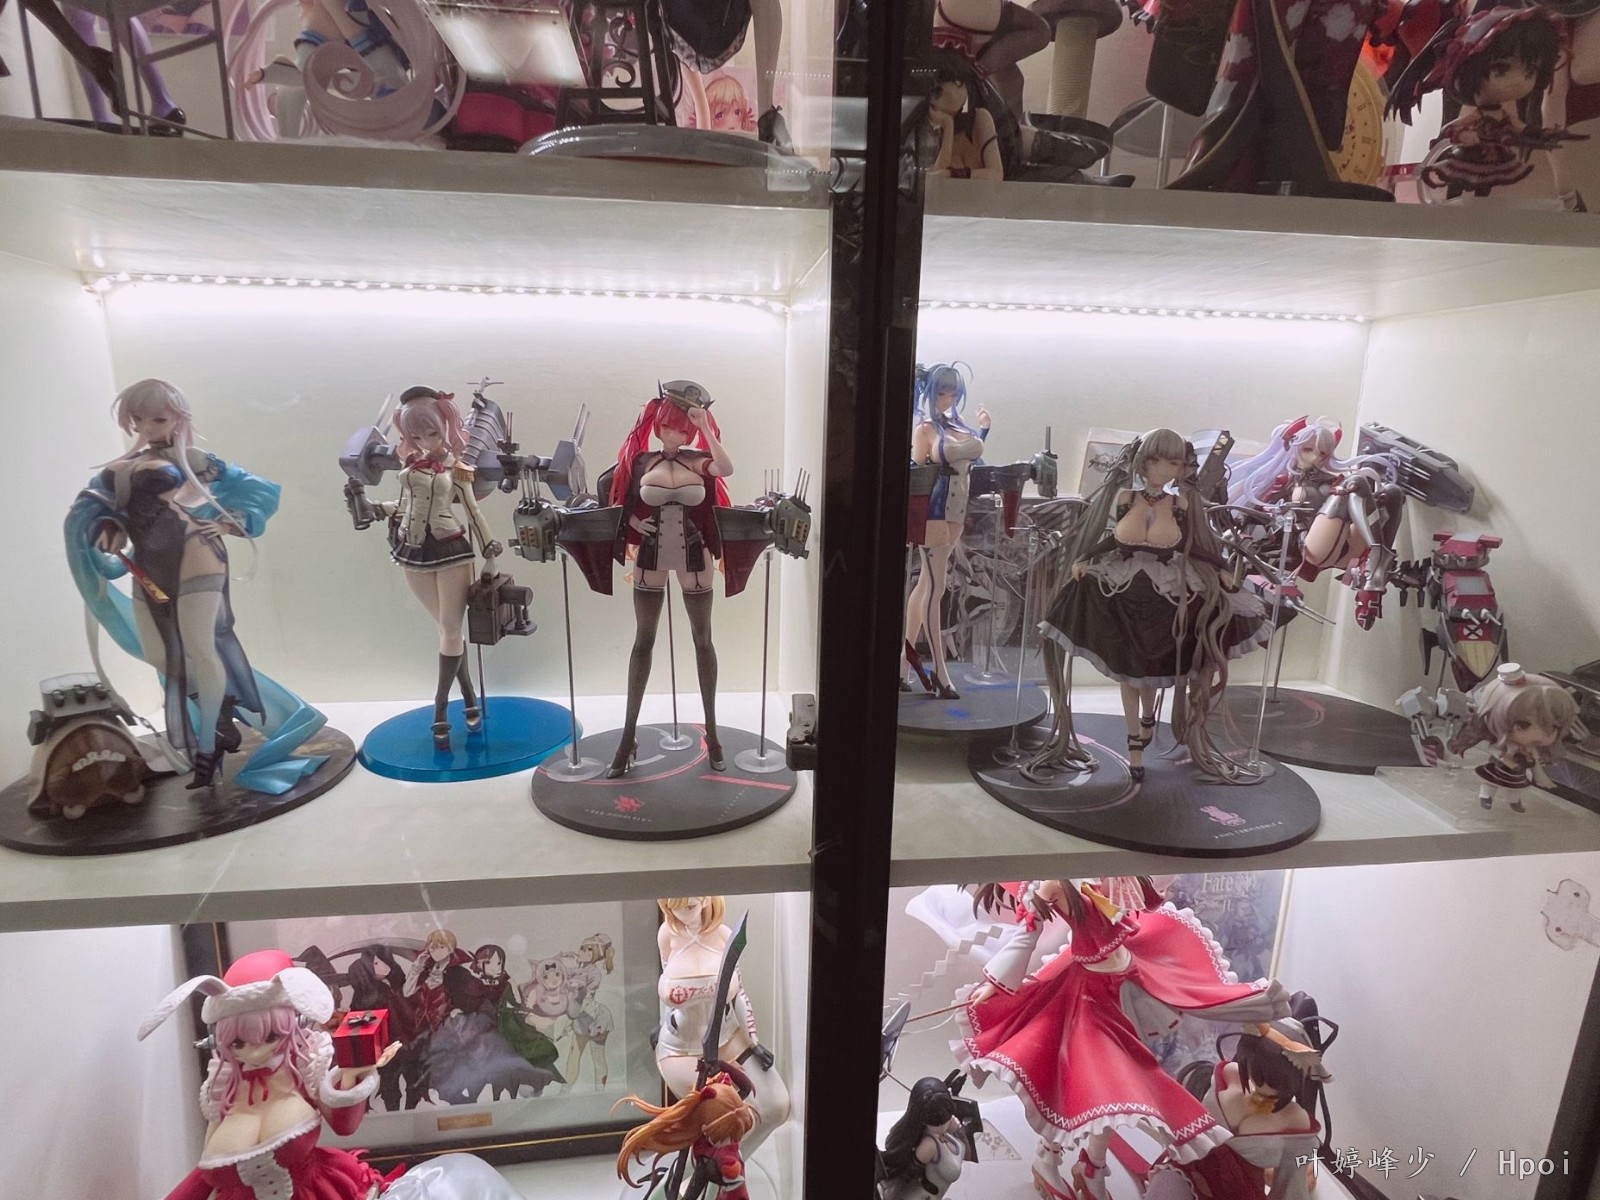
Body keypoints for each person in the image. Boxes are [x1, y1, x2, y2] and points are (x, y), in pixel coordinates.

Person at [957, 880, 1323, 1200]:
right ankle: (1050, 1159)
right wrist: (996, 984)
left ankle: (1090, 1166)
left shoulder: (1099, 870)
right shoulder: (1052, 883)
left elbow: (1134, 903)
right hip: (1089, 993)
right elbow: (1028, 932)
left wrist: (1274, 1033)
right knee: (1088, 1090)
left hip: (1129, 976)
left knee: (1116, 1093)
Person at [66, 379, 327, 791]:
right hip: (147, 562)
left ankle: (207, 749)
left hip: (195, 553)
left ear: (178, 418)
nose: (146, 427)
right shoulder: (120, 467)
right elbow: (102, 509)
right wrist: (108, 528)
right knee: (159, 653)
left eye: (157, 419)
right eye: (137, 420)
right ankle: (219, 713)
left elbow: (257, 489)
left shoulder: (193, 459)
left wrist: (227, 521)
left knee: (201, 648)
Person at [140, 949, 524, 1200]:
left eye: (271, 1036)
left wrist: (352, 1076)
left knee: (463, 1178)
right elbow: (204, 1174)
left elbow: (344, 1124)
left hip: (324, 1193)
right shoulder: (222, 1088)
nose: (254, 1052)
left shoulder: (304, 1069)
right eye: (238, 1042)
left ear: (292, 1026)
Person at [1029, 428, 1269, 783]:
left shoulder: (1180, 504)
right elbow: (1114, 540)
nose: (1161, 469)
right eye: (1155, 460)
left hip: (1165, 595)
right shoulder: (1126, 497)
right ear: (1143, 462)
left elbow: (1191, 545)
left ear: (1180, 467)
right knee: (1126, 668)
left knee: (1150, 667)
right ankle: (1134, 746)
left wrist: (1220, 568)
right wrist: (1085, 557)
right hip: (1121, 590)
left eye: (1172, 462)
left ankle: (1147, 718)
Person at [349, 387, 503, 751]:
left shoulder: (458, 469)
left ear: (446, 428)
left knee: (450, 630)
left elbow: (473, 511)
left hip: (450, 550)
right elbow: (404, 505)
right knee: (448, 633)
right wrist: (373, 507)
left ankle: (440, 711)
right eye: (416, 436)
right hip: (412, 550)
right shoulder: (410, 466)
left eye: (432, 433)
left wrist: (490, 552)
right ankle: (469, 699)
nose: (424, 442)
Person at [607, 382, 734, 777]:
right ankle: (627, 737)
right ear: (657, 426)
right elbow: (623, 500)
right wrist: (634, 523)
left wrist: (706, 426)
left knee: (703, 640)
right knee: (643, 641)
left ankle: (713, 735)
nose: (672, 434)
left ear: (690, 431)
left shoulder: (699, 460)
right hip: (651, 554)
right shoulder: (643, 462)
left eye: (680, 428)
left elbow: (726, 468)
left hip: (695, 554)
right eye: (666, 427)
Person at [656, 896, 790, 1158]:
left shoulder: (724, 936)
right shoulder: (667, 935)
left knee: (777, 1105)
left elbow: (739, 994)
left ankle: (728, 1164)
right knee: (720, 1117)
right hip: (681, 1049)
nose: (681, 913)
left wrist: (753, 1041)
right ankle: (703, 1170)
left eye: (689, 906)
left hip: (729, 1038)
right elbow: (665, 989)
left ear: (706, 899)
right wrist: (662, 1023)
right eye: (673, 907)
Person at [904, 364, 991, 698]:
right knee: (936, 587)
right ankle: (940, 671)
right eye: (942, 392)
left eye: (953, 392)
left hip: (958, 508)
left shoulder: (960, 426)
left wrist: (984, 431)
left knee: (926, 585)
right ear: (930, 393)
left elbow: (969, 459)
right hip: (934, 511)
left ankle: (903, 664)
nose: (948, 398)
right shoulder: (925, 429)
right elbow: (917, 474)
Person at [877, 1075, 971, 1199]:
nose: (944, 1123)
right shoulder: (929, 1145)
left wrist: (959, 1132)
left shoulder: (947, 1130)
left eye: (947, 1114)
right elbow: (906, 1177)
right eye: (938, 1121)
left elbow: (967, 1156)